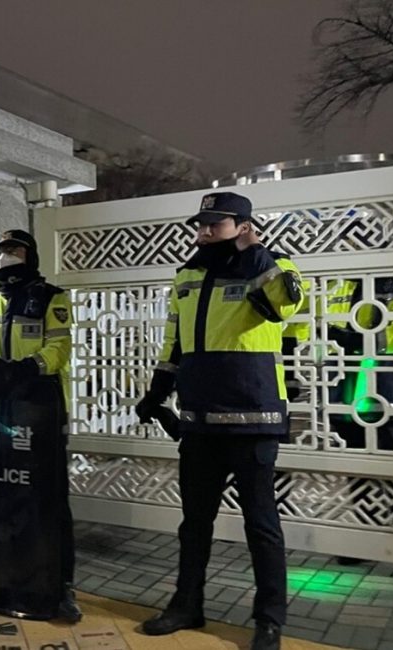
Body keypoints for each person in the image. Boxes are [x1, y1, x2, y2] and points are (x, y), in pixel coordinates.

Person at [135, 192, 303, 650]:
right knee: (194, 523)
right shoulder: (187, 275)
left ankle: (269, 620)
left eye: (216, 224)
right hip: (200, 420)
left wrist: (254, 253)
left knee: (261, 526)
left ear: (244, 226)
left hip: (254, 419)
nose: (205, 231)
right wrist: (156, 393)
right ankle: (187, 604)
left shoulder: (275, 266)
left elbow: (285, 306)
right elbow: (176, 341)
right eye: (201, 224)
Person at [0, 229, 81, 623]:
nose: (4, 257)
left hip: (37, 414)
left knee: (46, 500)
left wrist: (27, 370)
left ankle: (58, 585)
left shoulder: (50, 298)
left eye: (12, 250)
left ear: (28, 254)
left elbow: (58, 348)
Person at [324, 271, 393, 583]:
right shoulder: (341, 280)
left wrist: (357, 337)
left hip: (386, 389)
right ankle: (365, 540)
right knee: (359, 471)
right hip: (345, 389)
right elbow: (325, 325)